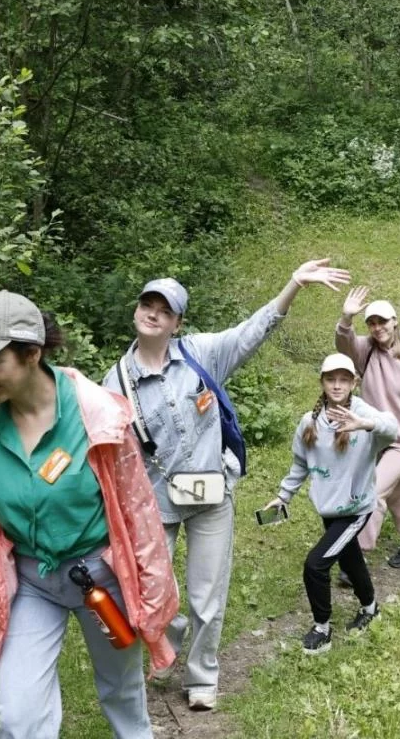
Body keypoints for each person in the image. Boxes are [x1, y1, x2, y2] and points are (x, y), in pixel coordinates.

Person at [0, 291, 179, 739]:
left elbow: (140, 515)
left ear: (32, 354)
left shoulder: (98, 416)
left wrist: (153, 605)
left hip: (102, 580)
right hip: (31, 583)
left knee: (122, 694)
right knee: (18, 716)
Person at [102, 260, 350, 711]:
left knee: (207, 595)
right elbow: (113, 457)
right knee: (151, 592)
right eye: (147, 304)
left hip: (211, 494)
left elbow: (250, 333)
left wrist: (293, 283)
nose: (153, 313)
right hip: (154, 503)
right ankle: (169, 637)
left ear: (177, 323)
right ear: (136, 311)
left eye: (165, 309)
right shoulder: (116, 382)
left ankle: (202, 676)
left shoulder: (200, 354)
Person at [262, 353, 399, 655]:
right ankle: (371, 608)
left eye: (344, 380)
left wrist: (365, 424)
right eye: (331, 379)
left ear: (353, 383)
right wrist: (283, 496)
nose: (337, 385)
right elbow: (300, 463)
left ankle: (322, 629)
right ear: (322, 382)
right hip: (328, 508)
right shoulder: (309, 422)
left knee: (315, 564)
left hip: (355, 509)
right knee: (350, 560)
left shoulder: (362, 413)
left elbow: (393, 429)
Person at [335, 289, 400, 569]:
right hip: (375, 436)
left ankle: (357, 555)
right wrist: (346, 318)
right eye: (371, 323)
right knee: (395, 489)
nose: (377, 327)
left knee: (374, 490)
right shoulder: (366, 350)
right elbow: (344, 346)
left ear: (395, 321)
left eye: (382, 321)